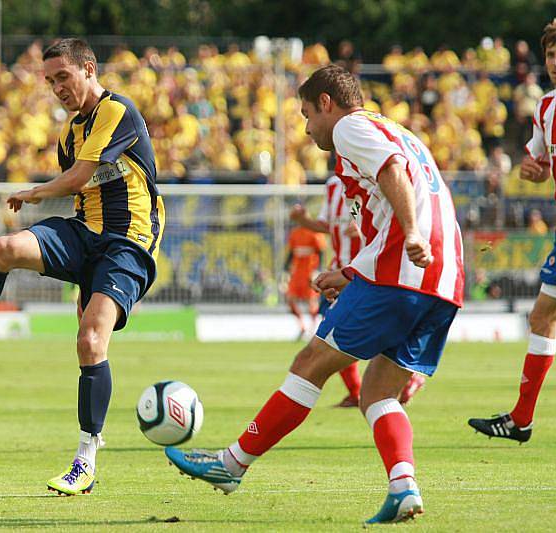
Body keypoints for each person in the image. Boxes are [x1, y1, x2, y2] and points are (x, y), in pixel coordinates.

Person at [164, 64, 463, 524]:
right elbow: (406, 190)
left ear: (327, 103)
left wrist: (412, 234)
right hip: (443, 281)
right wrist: (352, 270)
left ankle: (231, 464)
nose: (307, 129)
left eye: (307, 114)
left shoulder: (349, 126)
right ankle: (404, 486)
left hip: (407, 267)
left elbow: (392, 171)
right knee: (379, 393)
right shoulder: (399, 129)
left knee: (310, 364)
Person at [0, 38, 164, 496]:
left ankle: (86, 459)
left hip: (128, 242)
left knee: (90, 339)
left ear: (89, 69)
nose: (57, 87)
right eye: (50, 81)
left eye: (64, 76)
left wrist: (34, 193)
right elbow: (82, 189)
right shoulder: (68, 136)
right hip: (86, 233)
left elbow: (77, 178)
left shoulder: (117, 111)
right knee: (2, 247)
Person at [469, 20, 556, 443]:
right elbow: (539, 167)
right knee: (542, 316)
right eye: (552, 55)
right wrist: (533, 171)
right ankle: (521, 419)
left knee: (543, 316)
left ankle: (521, 418)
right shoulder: (546, 107)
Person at [291, 177, 427, 408]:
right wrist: (305, 221)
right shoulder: (334, 185)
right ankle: (359, 391)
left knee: (345, 333)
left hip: (365, 270)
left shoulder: (368, 175)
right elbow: (329, 225)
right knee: (335, 332)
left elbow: (378, 216)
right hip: (340, 269)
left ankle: (404, 376)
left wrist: (361, 223)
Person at [283, 224, 325, 340]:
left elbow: (321, 252)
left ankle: (313, 329)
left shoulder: (315, 232)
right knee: (290, 299)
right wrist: (285, 270)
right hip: (296, 273)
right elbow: (291, 253)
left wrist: (317, 270)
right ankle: (302, 327)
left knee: (311, 302)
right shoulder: (295, 233)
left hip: (309, 273)